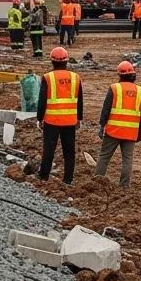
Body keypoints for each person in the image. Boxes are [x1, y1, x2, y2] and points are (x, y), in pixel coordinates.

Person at [94, 61, 141, 188]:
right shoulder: (140, 91)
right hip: (131, 132)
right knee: (127, 160)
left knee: (104, 156)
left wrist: (102, 126)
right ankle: (124, 186)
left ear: (119, 75)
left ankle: (97, 182)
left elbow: (106, 109)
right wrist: (139, 134)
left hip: (113, 130)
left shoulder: (114, 88)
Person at [37, 47, 82, 184]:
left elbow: (42, 100)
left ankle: (44, 176)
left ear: (52, 62)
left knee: (49, 150)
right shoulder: (75, 78)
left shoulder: (48, 77)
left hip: (52, 120)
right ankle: (68, 179)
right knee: (69, 152)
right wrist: (79, 118)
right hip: (70, 121)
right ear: (66, 62)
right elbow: (80, 100)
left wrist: (39, 118)